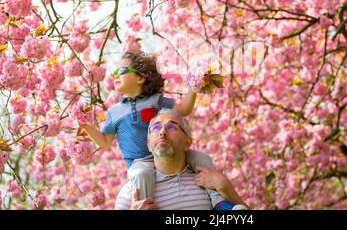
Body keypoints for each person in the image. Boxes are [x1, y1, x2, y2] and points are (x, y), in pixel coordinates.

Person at [80, 52, 235, 209]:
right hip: (138, 162)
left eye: (121, 71)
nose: (115, 76)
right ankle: (144, 205)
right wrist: (86, 126)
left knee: (202, 159)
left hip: (166, 150)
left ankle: (220, 204)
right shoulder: (114, 112)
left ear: (140, 78)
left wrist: (194, 84)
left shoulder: (155, 100)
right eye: (114, 73)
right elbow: (105, 143)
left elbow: (184, 109)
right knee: (142, 175)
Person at [114, 108, 248, 210]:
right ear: (148, 144)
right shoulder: (132, 193)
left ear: (187, 143)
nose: (162, 132)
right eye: (156, 127)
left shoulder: (208, 180)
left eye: (171, 127)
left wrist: (224, 186)